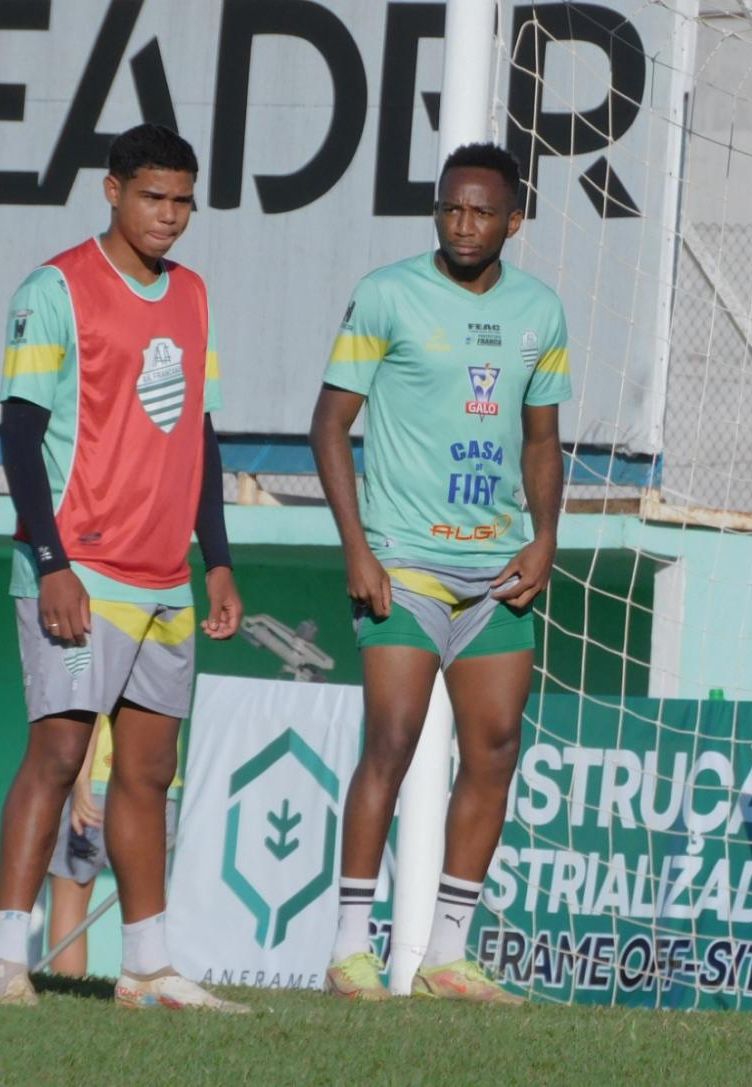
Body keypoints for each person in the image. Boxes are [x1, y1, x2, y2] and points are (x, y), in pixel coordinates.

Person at [0, 124, 245, 1012]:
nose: (169, 217)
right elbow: (18, 434)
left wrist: (216, 557)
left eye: (183, 202)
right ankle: (7, 960)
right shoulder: (54, 289)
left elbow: (200, 434)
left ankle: (147, 966)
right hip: (82, 569)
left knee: (147, 772)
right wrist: (49, 559)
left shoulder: (197, 295)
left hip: (167, 575)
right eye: (153, 198)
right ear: (112, 190)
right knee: (59, 753)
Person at [310, 142, 570, 1003]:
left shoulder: (542, 310)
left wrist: (544, 537)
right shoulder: (386, 294)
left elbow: (541, 439)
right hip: (406, 564)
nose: (463, 225)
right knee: (390, 741)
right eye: (450, 209)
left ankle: (447, 956)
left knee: (494, 749)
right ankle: (353, 949)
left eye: (481, 212)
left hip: (497, 573)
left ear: (513, 221)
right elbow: (329, 425)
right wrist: (358, 546)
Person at [45, 716, 182, 977]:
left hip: (98, 782)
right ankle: (146, 987)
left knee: (70, 900)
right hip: (157, 791)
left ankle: (67, 990)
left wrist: (81, 779)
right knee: (150, 910)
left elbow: (91, 706)